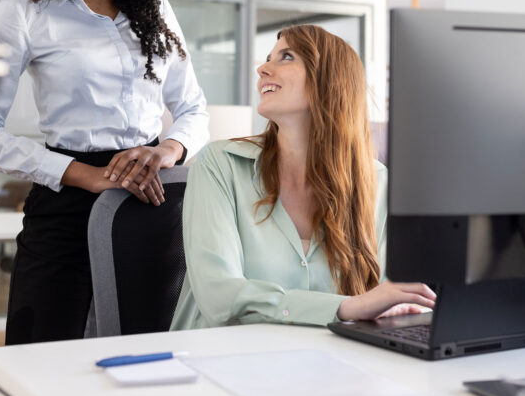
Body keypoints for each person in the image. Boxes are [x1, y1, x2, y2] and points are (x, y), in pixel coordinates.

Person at [0, 0, 209, 344]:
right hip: (65, 207)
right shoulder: (26, 5)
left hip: (148, 203)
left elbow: (193, 108)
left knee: (144, 358)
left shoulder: (154, 6)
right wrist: (84, 175)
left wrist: (167, 149)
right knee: (39, 364)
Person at [170, 25, 434, 329]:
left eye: (286, 57)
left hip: (326, 364)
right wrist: (345, 307)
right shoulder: (219, 164)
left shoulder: (377, 182)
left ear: (329, 79)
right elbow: (219, 296)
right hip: (217, 361)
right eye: (268, 58)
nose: (262, 69)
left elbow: (392, 297)